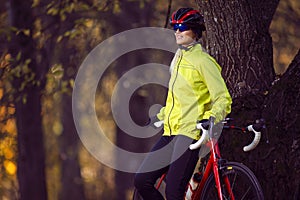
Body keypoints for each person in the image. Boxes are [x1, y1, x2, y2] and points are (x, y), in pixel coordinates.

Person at [134, 7, 232, 200]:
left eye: (182, 27)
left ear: (194, 31)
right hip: (171, 132)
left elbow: (223, 97)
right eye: (175, 27)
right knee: (141, 180)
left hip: (190, 134)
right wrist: (161, 116)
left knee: (173, 191)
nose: (177, 31)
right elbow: (178, 100)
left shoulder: (203, 61)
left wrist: (211, 118)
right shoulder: (177, 58)